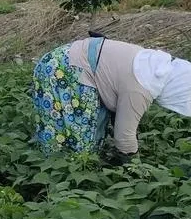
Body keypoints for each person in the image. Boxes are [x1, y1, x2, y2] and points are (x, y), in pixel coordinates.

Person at [32, 35, 191, 162]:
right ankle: (60, 180)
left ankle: (61, 170)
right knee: (80, 140)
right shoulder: (140, 89)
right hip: (63, 69)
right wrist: (135, 170)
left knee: (77, 133)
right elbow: (124, 137)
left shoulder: (152, 66)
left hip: (67, 59)